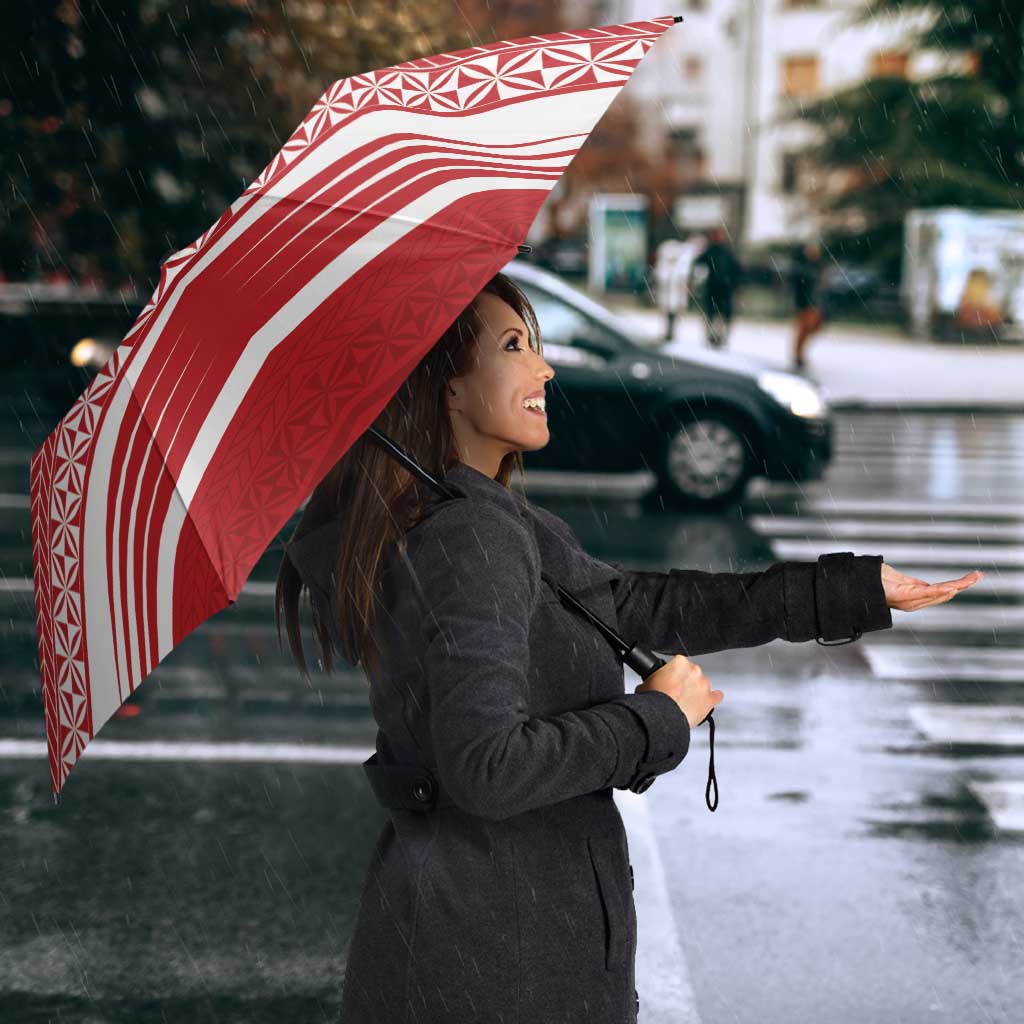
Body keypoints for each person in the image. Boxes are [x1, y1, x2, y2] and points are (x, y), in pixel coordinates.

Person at [275, 271, 977, 1024]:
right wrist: (655, 719)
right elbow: (487, 768)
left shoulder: (477, 518)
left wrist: (850, 591)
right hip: (498, 962)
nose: (544, 368)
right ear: (445, 385)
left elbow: (640, 605)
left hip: (482, 942)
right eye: (514, 346)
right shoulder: (469, 537)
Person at [692, 226, 742, 349]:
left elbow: (736, 270)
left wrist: (735, 284)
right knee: (713, 314)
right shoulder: (712, 251)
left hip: (723, 288)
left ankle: (719, 337)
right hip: (715, 288)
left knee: (720, 315)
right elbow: (698, 264)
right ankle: (713, 337)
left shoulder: (725, 252)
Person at [790, 239, 826, 370]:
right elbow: (799, 286)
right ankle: (798, 355)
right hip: (805, 303)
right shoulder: (802, 267)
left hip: (814, 303)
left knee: (812, 328)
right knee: (804, 329)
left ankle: (799, 354)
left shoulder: (817, 266)